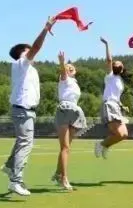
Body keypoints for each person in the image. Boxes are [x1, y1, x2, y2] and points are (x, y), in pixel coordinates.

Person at [1, 17, 55, 196]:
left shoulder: (28, 69)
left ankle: (9, 167)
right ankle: (15, 181)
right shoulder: (21, 63)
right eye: (28, 50)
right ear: (22, 54)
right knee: (25, 143)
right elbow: (37, 47)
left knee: (21, 141)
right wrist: (46, 28)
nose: (32, 52)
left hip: (25, 110)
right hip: (23, 110)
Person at [51, 50, 86, 191]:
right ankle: (64, 178)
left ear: (75, 71)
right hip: (65, 110)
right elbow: (63, 71)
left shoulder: (75, 83)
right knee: (65, 147)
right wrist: (62, 62)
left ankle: (57, 174)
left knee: (66, 147)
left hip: (75, 112)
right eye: (67, 67)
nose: (69, 68)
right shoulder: (64, 79)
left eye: (72, 67)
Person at [95, 37, 130, 160]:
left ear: (122, 69)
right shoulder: (110, 76)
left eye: (119, 63)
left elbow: (117, 96)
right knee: (118, 133)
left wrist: (122, 106)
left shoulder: (120, 81)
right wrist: (107, 44)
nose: (116, 62)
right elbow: (109, 59)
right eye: (115, 63)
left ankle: (105, 145)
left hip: (116, 106)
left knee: (124, 134)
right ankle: (101, 144)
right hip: (109, 105)